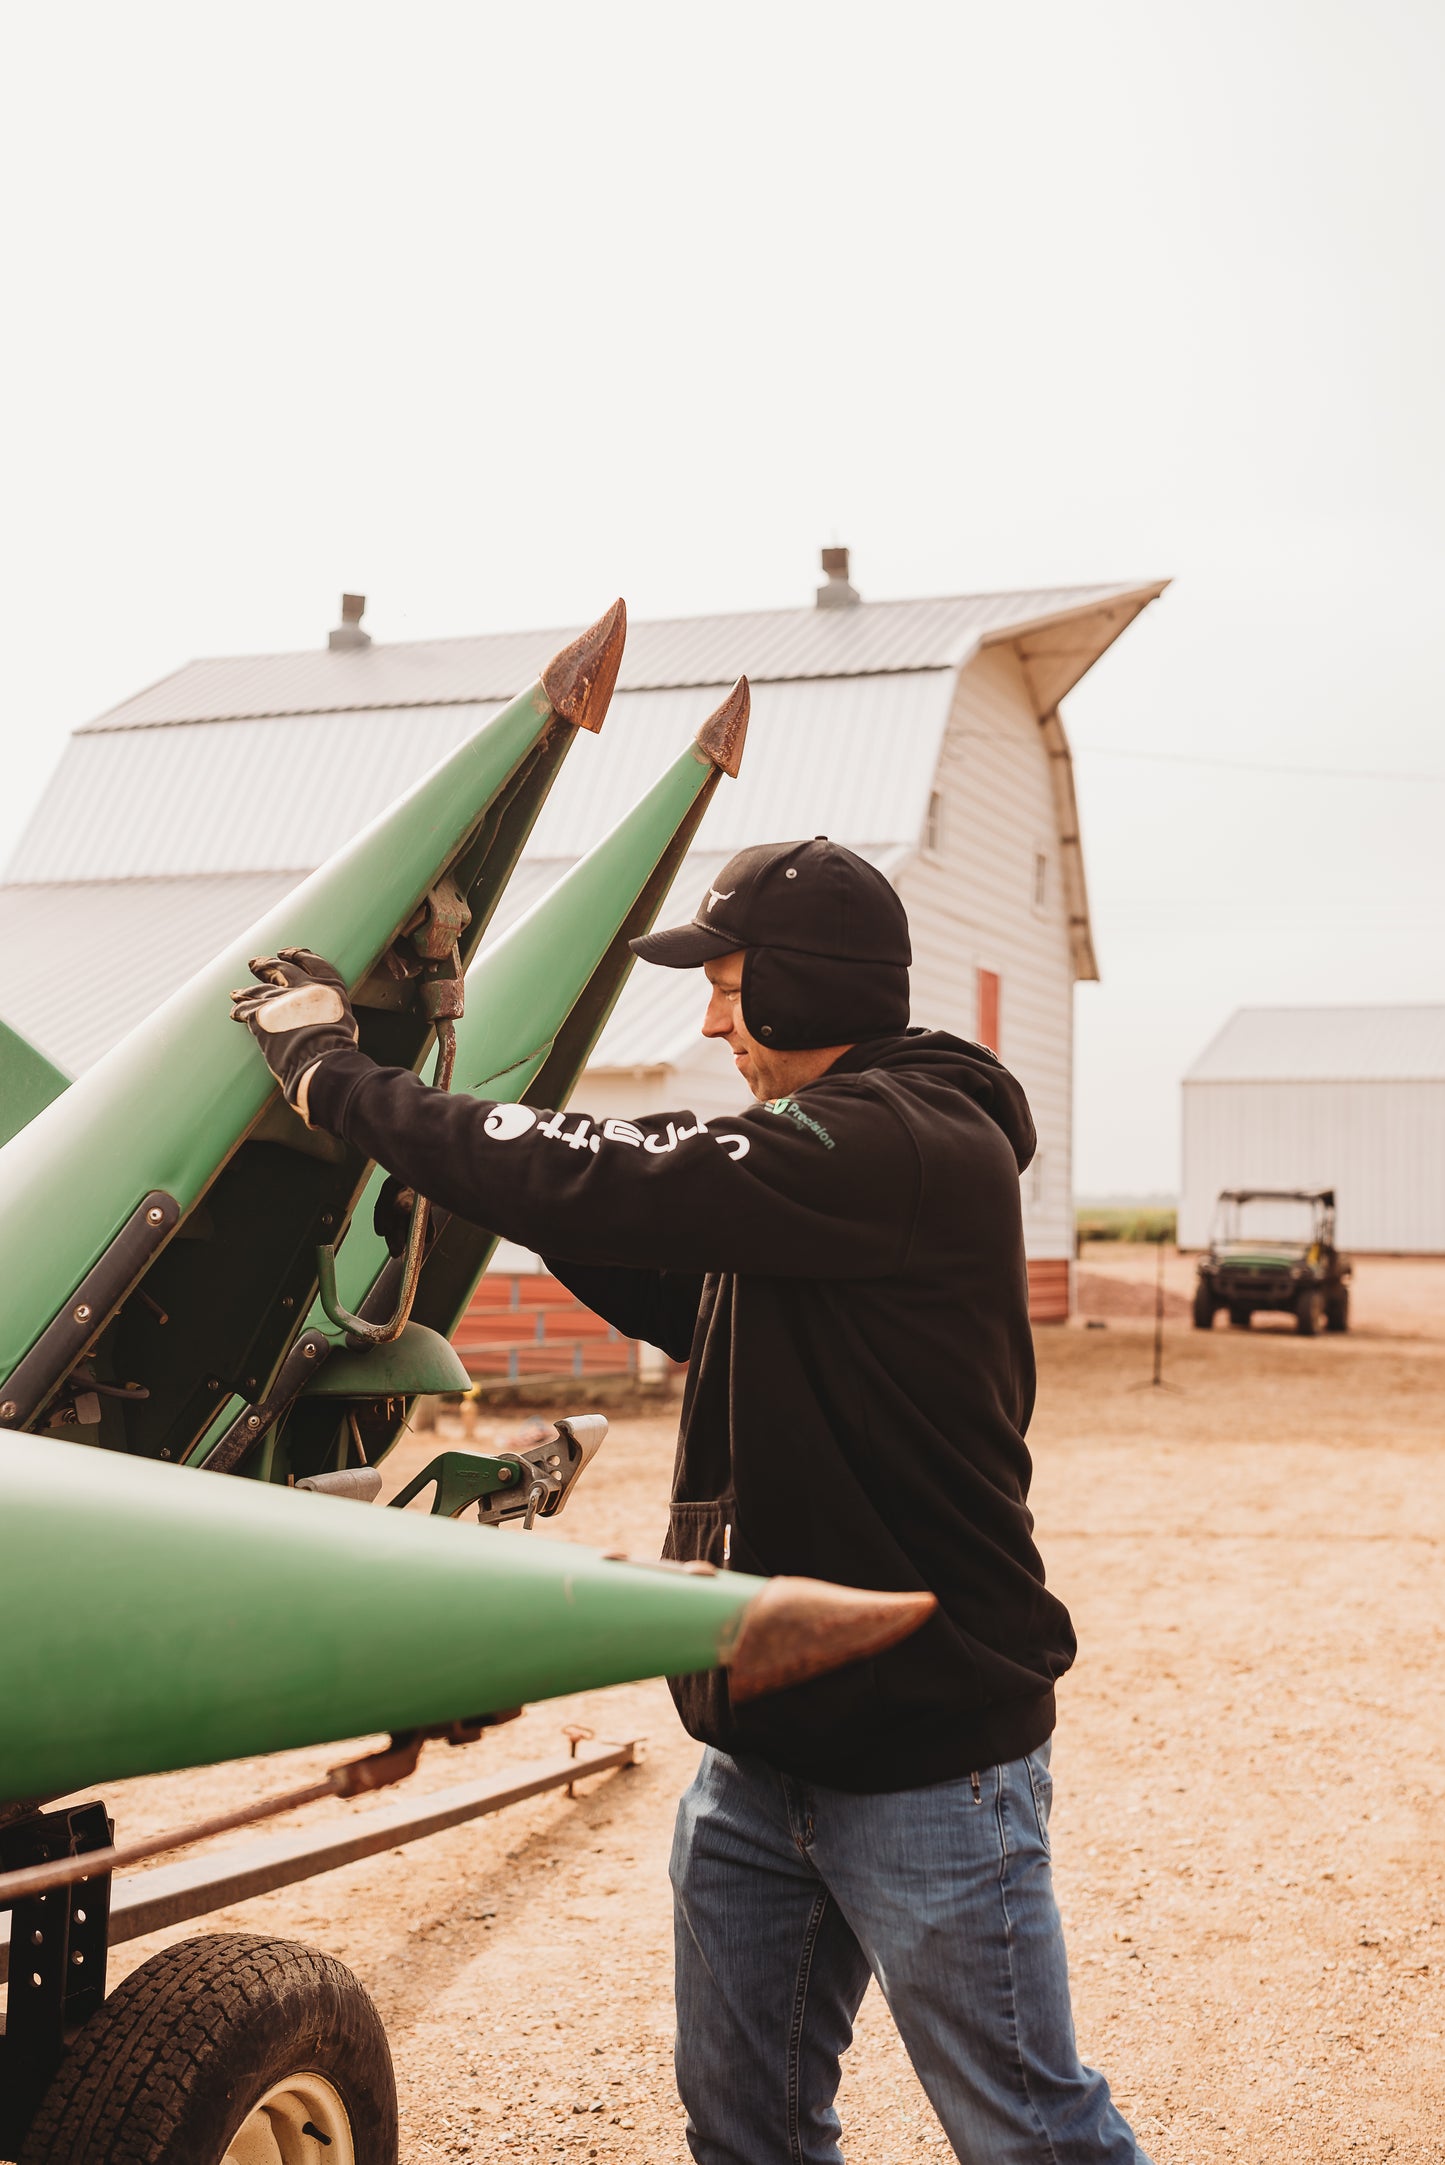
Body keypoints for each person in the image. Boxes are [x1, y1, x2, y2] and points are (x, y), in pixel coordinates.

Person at [233, 837, 1150, 2165]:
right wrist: (487, 1176)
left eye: (729, 987)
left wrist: (334, 1077)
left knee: (1027, 2130)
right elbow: (678, 1282)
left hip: (926, 1763)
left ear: (804, 989)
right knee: (745, 2126)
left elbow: (609, 1169)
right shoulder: (822, 1174)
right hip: (759, 1748)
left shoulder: (896, 1142)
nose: (711, 1018)